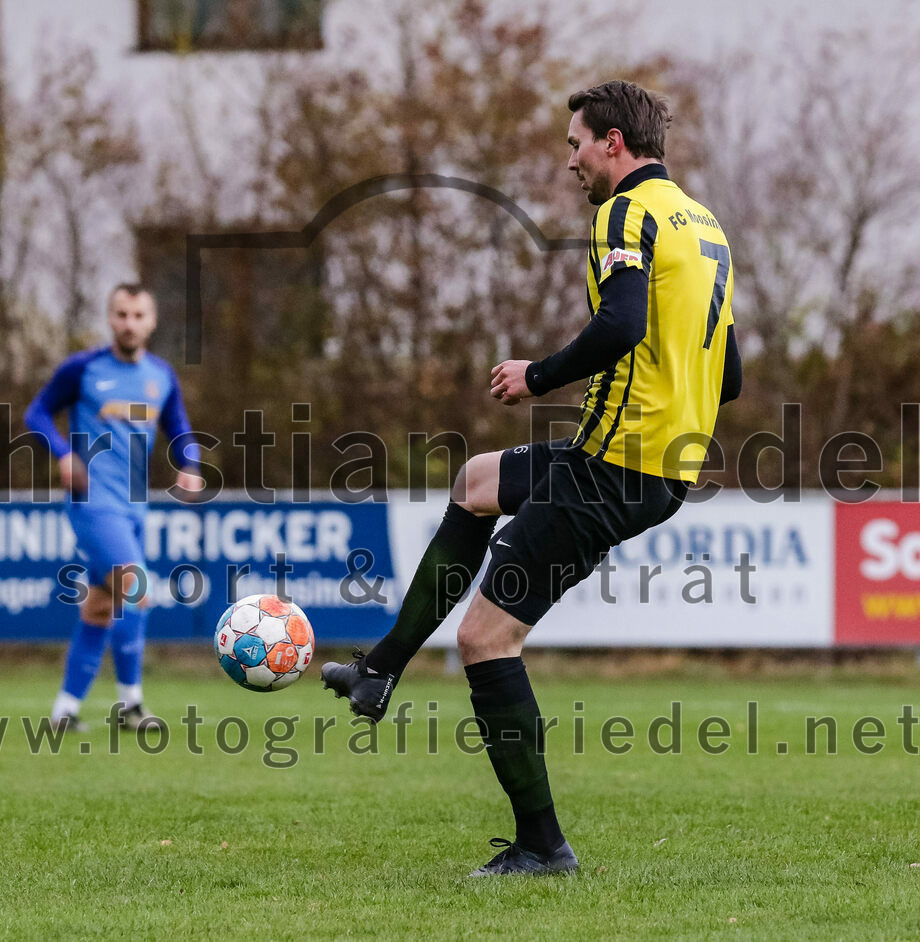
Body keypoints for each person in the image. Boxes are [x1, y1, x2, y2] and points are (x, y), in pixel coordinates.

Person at [322, 80, 742, 876]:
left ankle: (543, 847)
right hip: (651, 462)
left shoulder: (625, 212)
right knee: (477, 481)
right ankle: (380, 669)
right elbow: (731, 376)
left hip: (614, 465)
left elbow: (621, 324)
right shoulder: (703, 223)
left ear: (613, 142)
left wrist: (538, 375)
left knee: (486, 640)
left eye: (576, 142)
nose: (571, 159)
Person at [25, 283, 201, 732]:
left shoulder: (161, 375)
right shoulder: (83, 368)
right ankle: (131, 706)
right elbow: (38, 413)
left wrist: (190, 464)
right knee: (138, 589)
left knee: (101, 608)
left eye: (138, 315)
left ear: (152, 321)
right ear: (110, 318)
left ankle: (64, 712)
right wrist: (64, 453)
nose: (129, 323)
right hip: (93, 503)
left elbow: (179, 428)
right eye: (121, 314)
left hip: (135, 508)